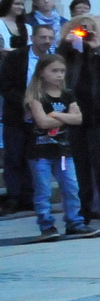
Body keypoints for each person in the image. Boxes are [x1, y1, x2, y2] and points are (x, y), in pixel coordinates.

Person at [26, 53, 91, 238]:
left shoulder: (67, 94)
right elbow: (43, 123)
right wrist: (64, 117)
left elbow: (78, 119)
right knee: (43, 190)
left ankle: (75, 222)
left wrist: (55, 115)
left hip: (63, 150)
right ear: (42, 72)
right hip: (40, 150)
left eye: (62, 71)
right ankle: (46, 225)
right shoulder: (36, 96)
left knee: (71, 187)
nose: (59, 75)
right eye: (54, 71)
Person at [60, 14, 100, 226]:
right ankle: (83, 210)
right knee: (80, 166)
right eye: (80, 28)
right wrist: (67, 45)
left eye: (89, 28)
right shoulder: (67, 54)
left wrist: (96, 49)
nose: (84, 32)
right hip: (75, 117)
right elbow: (55, 68)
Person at [0, 22, 54, 214]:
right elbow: (5, 86)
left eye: (49, 38)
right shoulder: (16, 57)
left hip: (42, 117)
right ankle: (14, 197)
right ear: (32, 38)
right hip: (16, 115)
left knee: (35, 158)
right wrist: (26, 104)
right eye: (42, 37)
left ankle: (30, 196)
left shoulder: (53, 60)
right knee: (14, 157)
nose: (46, 41)